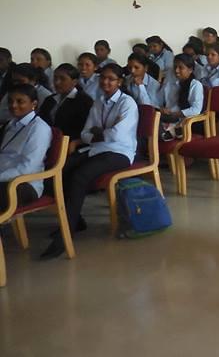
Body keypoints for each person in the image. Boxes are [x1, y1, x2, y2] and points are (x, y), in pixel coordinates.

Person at [41, 63, 138, 259]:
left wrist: (98, 133)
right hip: (96, 148)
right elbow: (85, 133)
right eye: (103, 78)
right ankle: (77, 221)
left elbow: (117, 136)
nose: (105, 82)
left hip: (120, 152)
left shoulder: (127, 103)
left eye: (111, 79)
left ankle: (66, 232)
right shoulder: (99, 102)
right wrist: (97, 134)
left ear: (119, 82)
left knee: (80, 176)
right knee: (59, 169)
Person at [0, 84, 53, 217]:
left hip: (23, 183)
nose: (13, 105)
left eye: (20, 101)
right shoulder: (11, 124)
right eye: (10, 101)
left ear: (34, 103)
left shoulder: (39, 129)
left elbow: (28, 167)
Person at [39, 64, 94, 149]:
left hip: (69, 145)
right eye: (55, 78)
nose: (57, 82)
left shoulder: (84, 101)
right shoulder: (50, 100)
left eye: (62, 79)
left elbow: (84, 130)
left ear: (74, 82)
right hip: (45, 141)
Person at [159, 54, 204, 140]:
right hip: (168, 117)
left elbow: (196, 109)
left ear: (190, 70)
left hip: (184, 120)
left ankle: (171, 132)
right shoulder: (170, 84)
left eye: (181, 68)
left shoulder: (195, 85)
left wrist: (175, 114)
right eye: (175, 67)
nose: (176, 70)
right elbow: (159, 100)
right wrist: (162, 108)